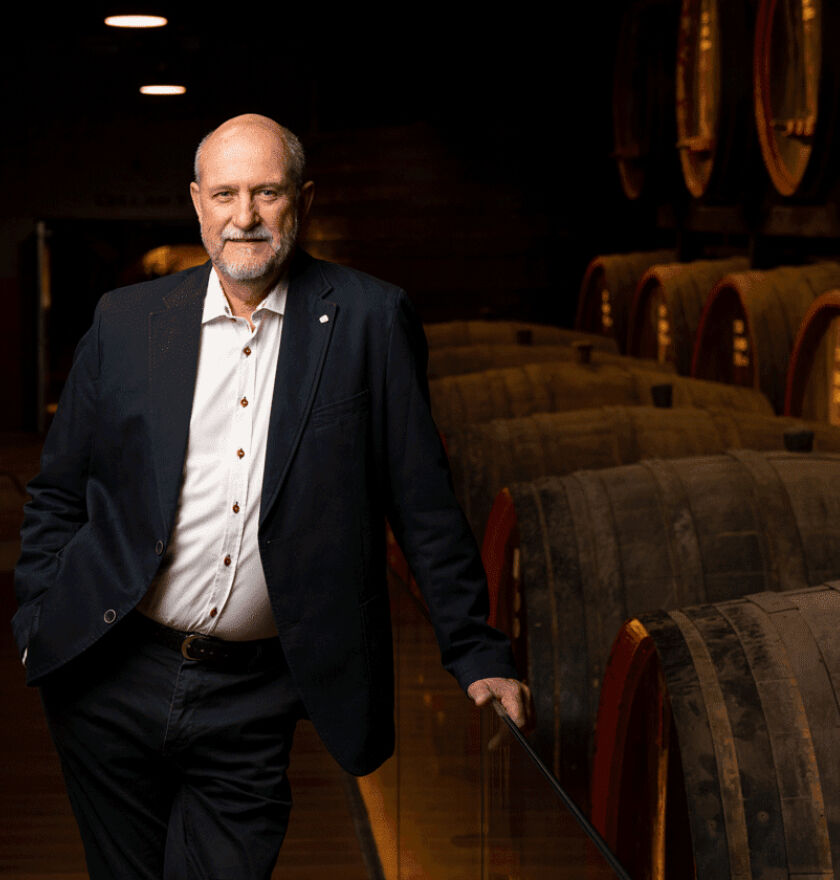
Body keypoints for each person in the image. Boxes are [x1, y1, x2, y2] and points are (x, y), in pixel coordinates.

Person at [12, 113, 530, 879]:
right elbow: (59, 492)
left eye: (266, 193)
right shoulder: (126, 322)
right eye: (225, 193)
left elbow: (420, 500)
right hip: (112, 673)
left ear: (304, 199)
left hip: (254, 692)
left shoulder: (369, 319)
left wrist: (475, 648)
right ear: (196, 202)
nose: (244, 216)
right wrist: (38, 618)